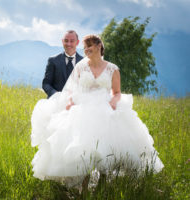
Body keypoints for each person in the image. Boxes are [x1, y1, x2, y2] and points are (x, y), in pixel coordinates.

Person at [31, 34, 164, 189]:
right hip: (84, 109)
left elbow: (117, 92)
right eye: (85, 47)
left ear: (99, 46)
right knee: (84, 147)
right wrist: (70, 102)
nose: (86, 49)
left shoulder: (112, 68)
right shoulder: (80, 67)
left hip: (105, 107)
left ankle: (102, 186)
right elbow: (73, 90)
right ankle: (84, 187)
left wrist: (113, 104)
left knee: (108, 147)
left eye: (90, 46)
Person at [42, 30, 83, 98]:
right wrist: (56, 95)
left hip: (76, 103)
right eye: (66, 41)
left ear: (77, 42)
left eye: (72, 41)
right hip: (56, 102)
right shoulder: (53, 60)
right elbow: (46, 84)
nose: (68, 44)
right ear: (62, 41)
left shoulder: (84, 62)